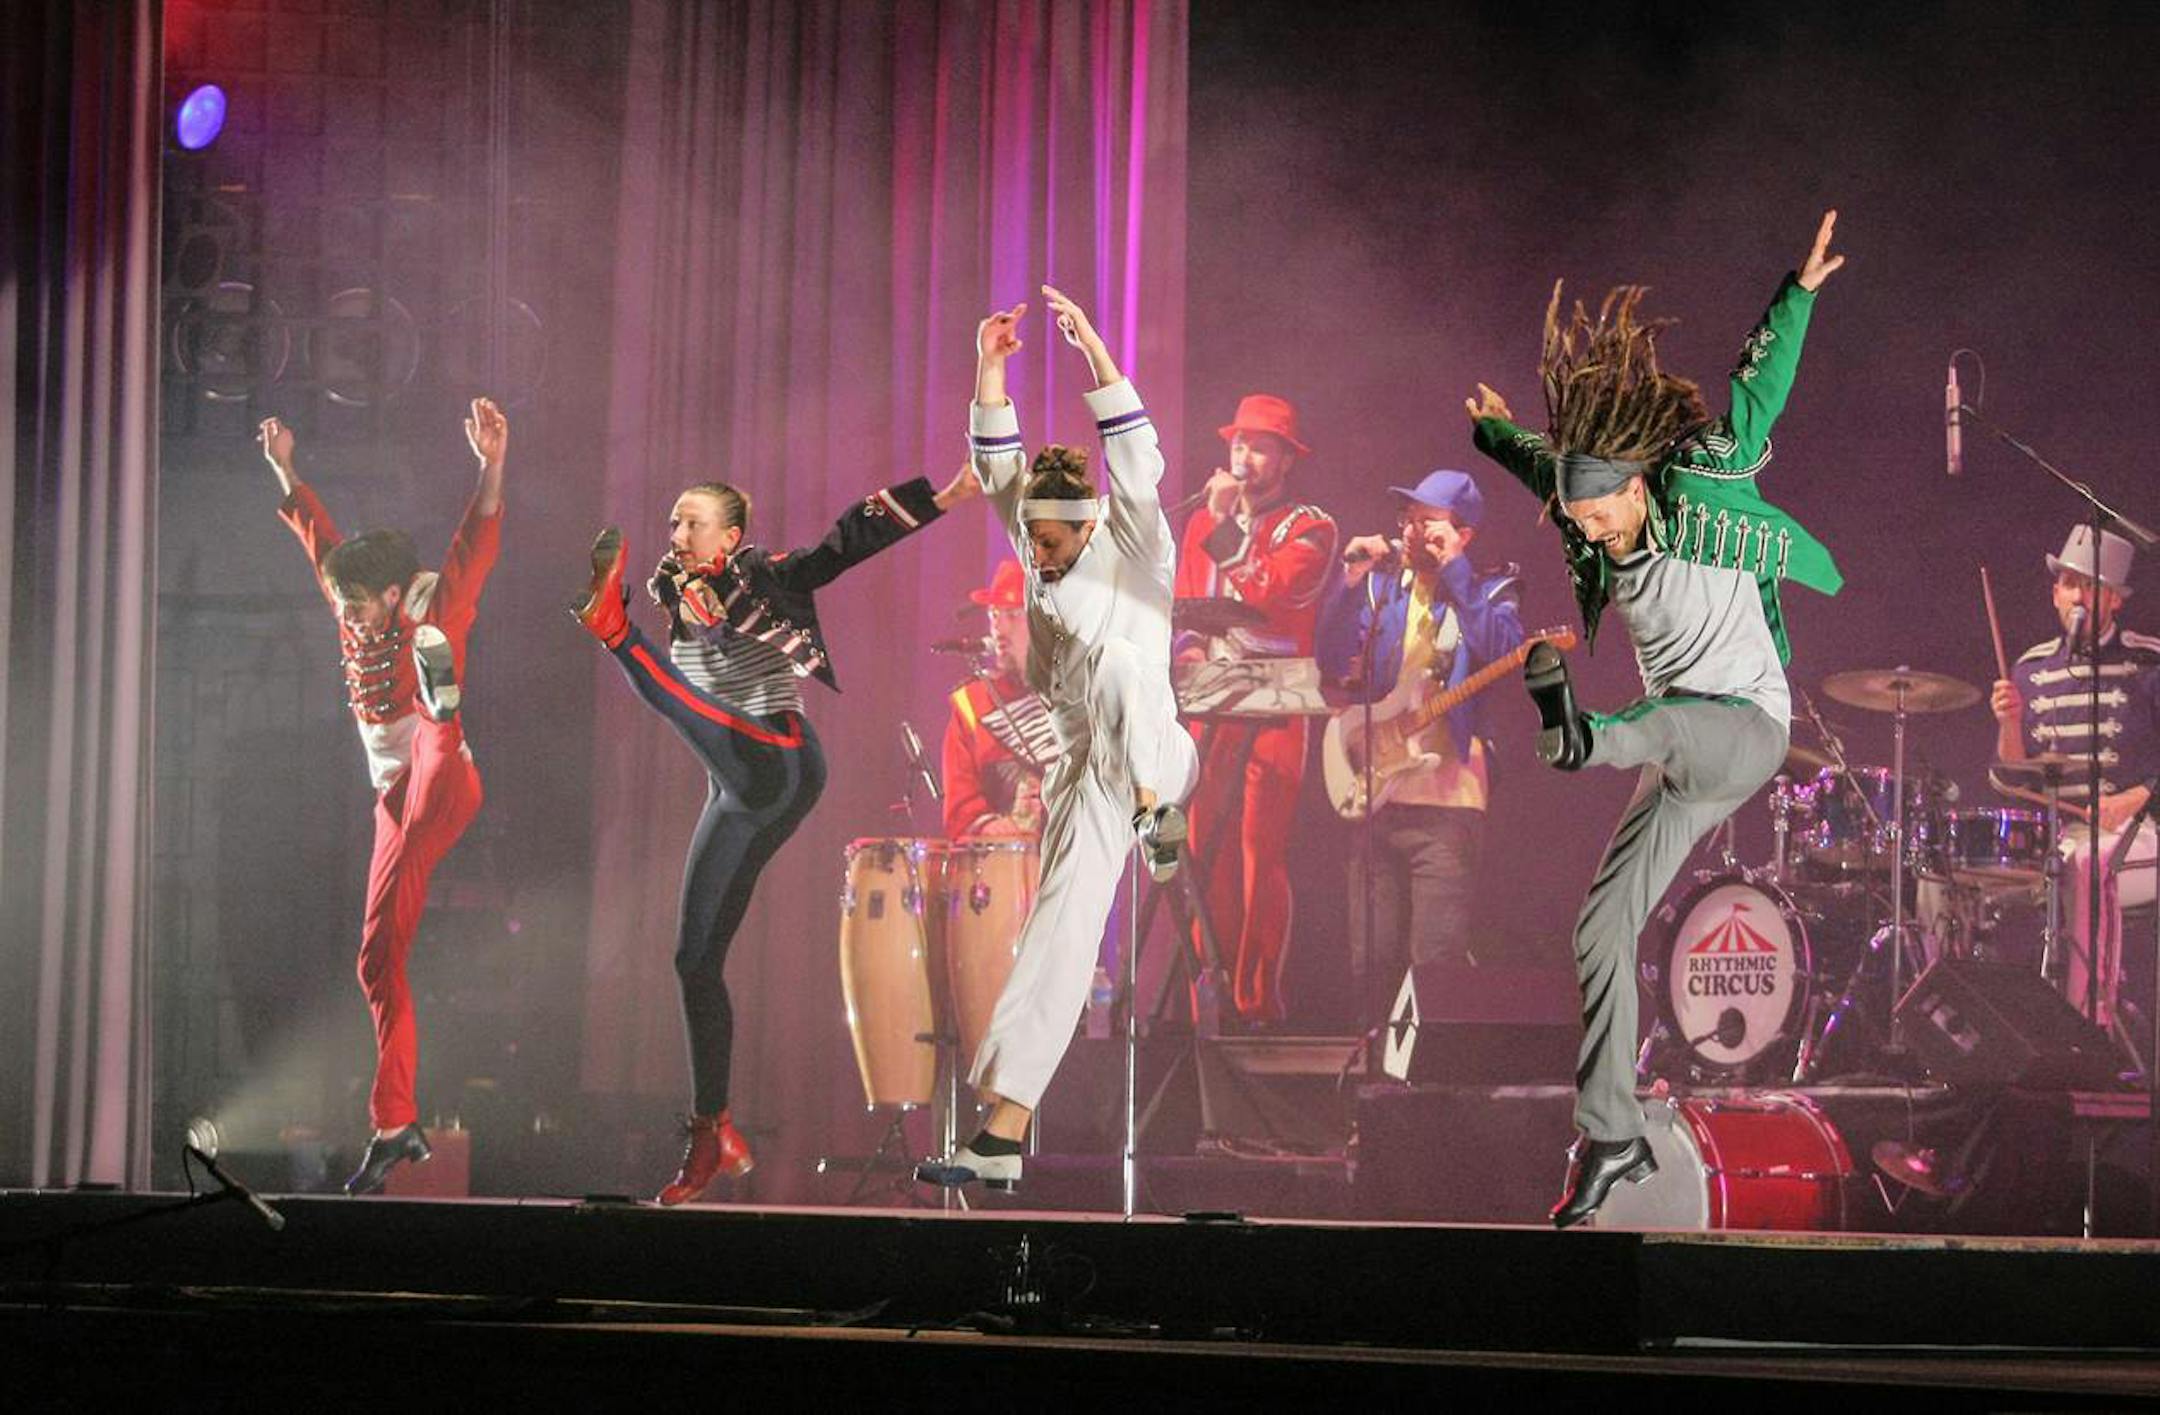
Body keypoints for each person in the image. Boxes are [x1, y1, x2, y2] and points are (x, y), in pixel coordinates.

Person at [1466, 210, 1847, 1227]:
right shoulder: (1587, 515)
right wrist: (1493, 430)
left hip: (1744, 728)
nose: (1588, 532)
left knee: (1665, 723)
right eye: (1577, 519)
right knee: (1600, 930)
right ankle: (1612, 1134)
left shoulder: (1702, 482)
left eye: (1599, 515)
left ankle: (1580, 737)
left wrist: (1798, 294)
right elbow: (1544, 463)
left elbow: (1756, 397)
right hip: (1675, 752)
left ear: (1638, 486)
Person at [571, 458, 979, 1205]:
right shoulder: (674, 590)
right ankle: (712, 1130)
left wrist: (946, 495)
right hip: (734, 784)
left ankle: (613, 633)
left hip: (780, 760)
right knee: (694, 959)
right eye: (673, 521)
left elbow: (842, 545)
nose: (677, 532)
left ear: (730, 536)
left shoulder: (762, 576)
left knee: (674, 696)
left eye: (694, 522)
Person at [917, 285, 1197, 1191]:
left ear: (1086, 526)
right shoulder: (1034, 536)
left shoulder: (1138, 544)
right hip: (1089, 771)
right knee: (1059, 930)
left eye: (1049, 542)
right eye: (1029, 539)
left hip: (1159, 753)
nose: (1035, 554)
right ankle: (1002, 1130)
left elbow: (1137, 452)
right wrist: (989, 363)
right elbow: (997, 461)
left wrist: (1095, 353)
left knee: (1116, 666)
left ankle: (1159, 820)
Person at [258, 399, 508, 1195]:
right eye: (345, 604)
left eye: (363, 604)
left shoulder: (429, 600)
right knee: (375, 961)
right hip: (393, 804)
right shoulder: (351, 600)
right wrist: (286, 470)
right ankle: (396, 1123)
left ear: (395, 593)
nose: (351, 617)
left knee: (433, 738)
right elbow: (320, 539)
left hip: (445, 780)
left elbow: (475, 543)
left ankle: (442, 702)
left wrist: (491, 466)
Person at [1316, 470, 1524, 1025]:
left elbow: (1500, 650)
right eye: (1407, 520)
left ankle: (1429, 1075)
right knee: (1370, 963)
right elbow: (1330, 657)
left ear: (1463, 534)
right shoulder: (1383, 589)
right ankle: (1372, 1068)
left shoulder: (1493, 591)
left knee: (1435, 964)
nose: (1411, 531)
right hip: (1377, 795)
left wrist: (1456, 569)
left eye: (1427, 522)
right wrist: (1349, 580)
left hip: (1448, 804)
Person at [1173, 395, 1338, 1026]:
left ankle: (1256, 1004)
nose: (1244, 457)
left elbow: (1266, 593)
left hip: (1275, 703)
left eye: (1260, 447)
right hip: (1210, 699)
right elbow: (1188, 606)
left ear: (1286, 460)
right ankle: (1207, 1005)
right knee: (1202, 851)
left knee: (1256, 853)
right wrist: (1188, 656)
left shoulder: (1310, 527)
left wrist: (1224, 526)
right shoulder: (1200, 520)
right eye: (1238, 444)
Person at [1990, 523, 2160, 1032]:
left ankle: (2090, 1021)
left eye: (2091, 586)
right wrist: (2009, 723)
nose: (2078, 597)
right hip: (2063, 838)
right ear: (2055, 594)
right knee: (1951, 875)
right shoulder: (2030, 669)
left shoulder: (2148, 663)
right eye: (2069, 584)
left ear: (2115, 599)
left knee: (2088, 865)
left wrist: (2135, 797)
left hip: (2142, 836)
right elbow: (2013, 773)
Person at [941, 559, 1056, 839]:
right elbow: (960, 807)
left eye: (1013, 615)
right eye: (994, 615)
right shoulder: (972, 704)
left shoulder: (1080, 695)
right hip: (1002, 860)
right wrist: (992, 827)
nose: (999, 630)